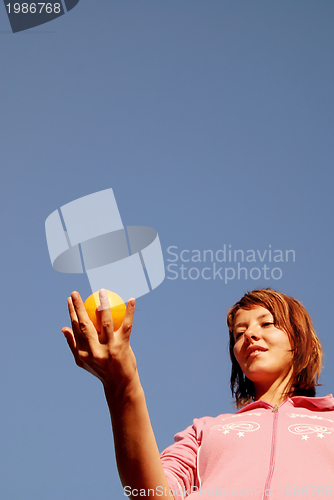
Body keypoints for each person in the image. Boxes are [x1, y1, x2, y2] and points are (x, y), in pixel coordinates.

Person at [62, 288, 334, 500]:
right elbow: (152, 494)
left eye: (266, 323)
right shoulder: (203, 432)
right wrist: (122, 384)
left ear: (299, 340)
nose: (249, 334)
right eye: (240, 333)